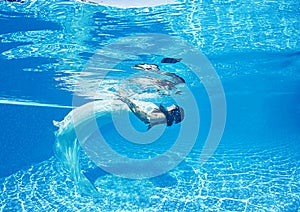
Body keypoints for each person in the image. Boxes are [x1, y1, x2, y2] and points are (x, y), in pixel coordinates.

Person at [117, 94, 184, 130]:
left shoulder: (162, 116)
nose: (172, 104)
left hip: (127, 103)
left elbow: (143, 117)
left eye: (175, 106)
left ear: (175, 111)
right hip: (128, 103)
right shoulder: (162, 116)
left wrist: (127, 101)